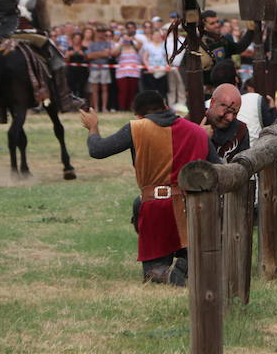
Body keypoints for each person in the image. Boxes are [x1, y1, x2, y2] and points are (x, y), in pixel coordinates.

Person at [81, 90, 219, 285]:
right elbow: (219, 168)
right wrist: (202, 138)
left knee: (153, 272)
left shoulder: (137, 128)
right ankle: (187, 262)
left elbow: (98, 150)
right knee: (186, 247)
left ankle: (167, 274)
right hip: (192, 210)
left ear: (138, 116)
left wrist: (93, 127)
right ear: (165, 107)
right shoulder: (198, 132)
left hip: (156, 208)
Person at [199, 10, 253, 88]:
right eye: (212, 23)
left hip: (226, 86)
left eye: (217, 22)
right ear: (203, 25)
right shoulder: (199, 43)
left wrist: (250, 31)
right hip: (209, 89)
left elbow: (238, 48)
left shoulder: (221, 39)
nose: (217, 25)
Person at [203, 83, 250, 162]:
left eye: (235, 113)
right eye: (227, 111)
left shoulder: (241, 131)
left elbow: (244, 167)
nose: (230, 118)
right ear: (212, 102)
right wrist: (199, 137)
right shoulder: (191, 123)